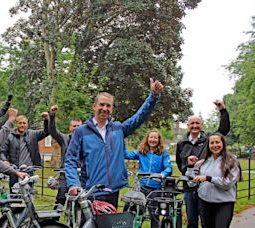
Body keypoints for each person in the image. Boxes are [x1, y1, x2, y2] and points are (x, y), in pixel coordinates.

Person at [65, 78, 164, 208]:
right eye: (101, 104)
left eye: (108, 106)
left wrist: (154, 96)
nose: (104, 108)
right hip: (91, 191)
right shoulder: (81, 132)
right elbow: (70, 160)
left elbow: (140, 117)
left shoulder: (118, 129)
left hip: (113, 191)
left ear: (112, 109)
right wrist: (73, 184)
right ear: (94, 106)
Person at [176, 100, 230, 228]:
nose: (195, 126)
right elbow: (180, 165)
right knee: (192, 221)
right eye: (192, 123)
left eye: (197, 123)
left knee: (207, 222)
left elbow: (223, 129)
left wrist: (222, 110)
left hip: (206, 187)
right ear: (188, 125)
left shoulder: (208, 140)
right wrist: (188, 166)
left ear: (201, 124)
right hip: (189, 188)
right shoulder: (181, 144)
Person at [186, 132, 240, 228]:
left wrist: (208, 178)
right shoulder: (203, 162)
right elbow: (191, 183)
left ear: (223, 144)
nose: (215, 145)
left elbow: (228, 183)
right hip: (204, 203)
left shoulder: (232, 161)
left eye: (217, 142)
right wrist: (190, 166)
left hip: (224, 204)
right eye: (212, 143)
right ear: (208, 145)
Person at [124, 130, 173, 228]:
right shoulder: (142, 151)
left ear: (159, 140)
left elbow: (169, 168)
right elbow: (126, 155)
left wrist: (161, 174)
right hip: (141, 186)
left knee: (154, 214)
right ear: (147, 139)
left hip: (155, 187)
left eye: (155, 138)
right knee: (133, 209)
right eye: (151, 137)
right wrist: (122, 143)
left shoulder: (163, 153)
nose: (153, 140)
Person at [0, 114, 49, 189]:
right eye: (20, 123)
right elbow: (2, 151)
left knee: (29, 194)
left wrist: (46, 120)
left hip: (29, 170)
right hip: (15, 171)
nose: (22, 125)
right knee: (14, 195)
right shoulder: (9, 136)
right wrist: (4, 160)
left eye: (24, 123)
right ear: (16, 124)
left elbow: (47, 131)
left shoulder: (33, 134)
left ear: (27, 124)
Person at [46, 105, 82, 206]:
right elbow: (53, 131)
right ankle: (54, 221)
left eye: (78, 126)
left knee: (78, 203)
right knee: (60, 199)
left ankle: (74, 221)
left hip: (80, 176)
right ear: (70, 128)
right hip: (65, 175)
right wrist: (52, 116)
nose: (76, 128)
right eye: (74, 126)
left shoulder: (86, 141)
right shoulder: (64, 139)